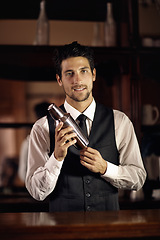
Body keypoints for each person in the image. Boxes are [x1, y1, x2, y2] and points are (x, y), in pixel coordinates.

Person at [25, 41, 146, 212]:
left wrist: (105, 168)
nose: (78, 80)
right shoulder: (42, 127)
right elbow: (37, 192)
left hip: (108, 229)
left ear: (93, 74)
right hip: (62, 230)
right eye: (69, 73)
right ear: (59, 79)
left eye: (83, 71)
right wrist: (56, 158)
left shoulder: (120, 121)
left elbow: (139, 179)